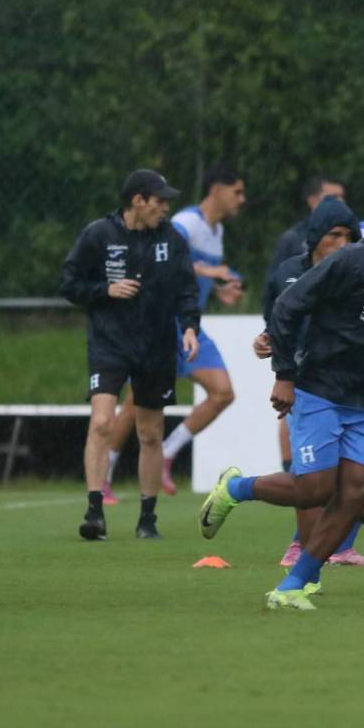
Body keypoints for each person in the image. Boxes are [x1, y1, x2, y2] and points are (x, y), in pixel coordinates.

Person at [197, 190, 364, 610]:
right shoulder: (355, 261)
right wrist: (285, 375)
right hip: (319, 388)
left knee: (355, 492)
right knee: (314, 488)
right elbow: (288, 307)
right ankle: (235, 488)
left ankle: (292, 587)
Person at [60, 168, 200, 541]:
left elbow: (187, 288)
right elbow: (69, 283)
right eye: (160, 200)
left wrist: (190, 327)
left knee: (150, 432)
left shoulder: (171, 239)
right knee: (102, 422)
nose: (165, 208)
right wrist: (106, 290)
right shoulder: (98, 235)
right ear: (138, 201)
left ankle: (147, 518)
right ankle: (94, 511)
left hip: (156, 347)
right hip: (109, 344)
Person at [98, 163, 244, 501]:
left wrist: (219, 288)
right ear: (216, 190)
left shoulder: (217, 232)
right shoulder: (186, 222)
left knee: (222, 392)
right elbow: (162, 262)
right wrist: (213, 270)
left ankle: (166, 451)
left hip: (190, 326)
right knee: (135, 403)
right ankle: (104, 474)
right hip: (162, 322)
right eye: (236, 191)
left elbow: (191, 280)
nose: (241, 199)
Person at [255, 196, 364, 566]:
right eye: (334, 235)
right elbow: (277, 319)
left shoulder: (363, 275)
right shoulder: (287, 273)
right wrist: (271, 346)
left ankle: (323, 550)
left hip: (353, 386)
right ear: (315, 238)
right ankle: (304, 551)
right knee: (314, 480)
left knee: (343, 480)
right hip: (306, 383)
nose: (342, 244)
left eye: (348, 236)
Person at [266, 174, 347, 276]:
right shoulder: (293, 240)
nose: (341, 202)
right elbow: (276, 283)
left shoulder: (351, 237)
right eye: (334, 197)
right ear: (312, 201)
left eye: (342, 197)